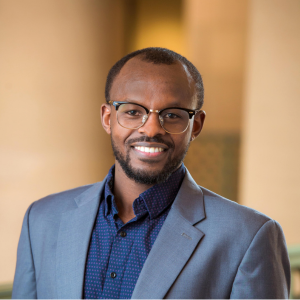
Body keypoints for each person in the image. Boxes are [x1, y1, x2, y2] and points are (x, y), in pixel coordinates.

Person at [12, 47, 290, 299]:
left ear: (196, 126)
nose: (151, 129)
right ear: (108, 119)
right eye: (133, 111)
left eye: (172, 114)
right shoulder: (42, 220)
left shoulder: (248, 236)